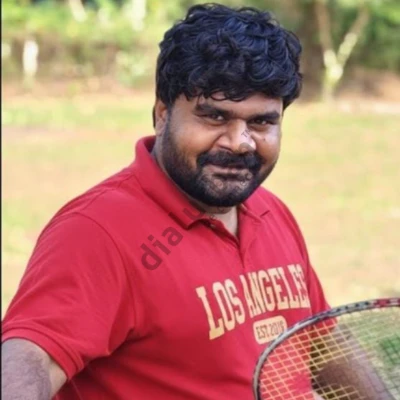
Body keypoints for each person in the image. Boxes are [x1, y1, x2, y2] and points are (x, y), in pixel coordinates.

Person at [2, 4, 331, 399]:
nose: (239, 142)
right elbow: (29, 355)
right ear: (162, 114)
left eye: (261, 122)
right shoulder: (98, 230)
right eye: (214, 117)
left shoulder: (271, 212)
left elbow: (324, 346)